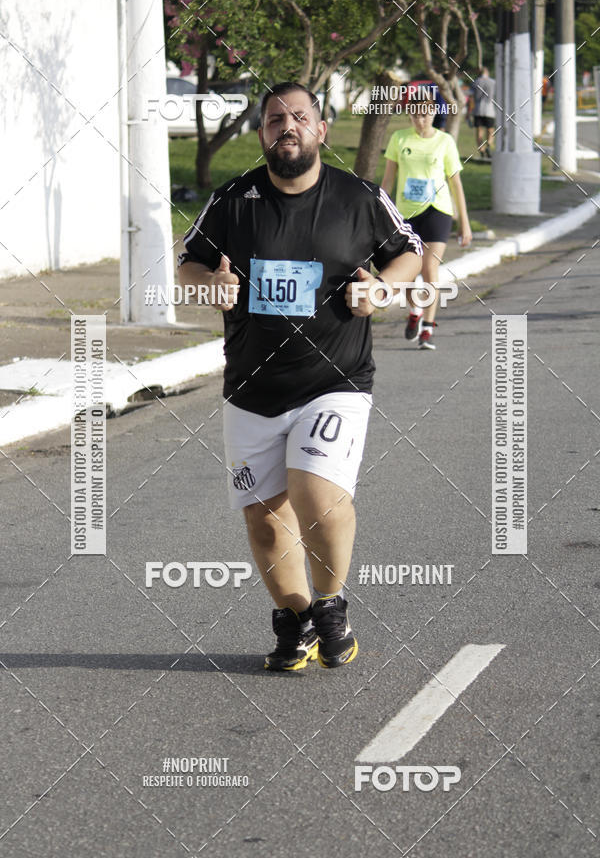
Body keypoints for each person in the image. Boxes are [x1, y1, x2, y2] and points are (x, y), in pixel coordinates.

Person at [178, 82, 422, 671]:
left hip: (334, 379)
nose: (287, 127)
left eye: (299, 118)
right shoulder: (234, 200)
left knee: (315, 493)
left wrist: (382, 287)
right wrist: (207, 284)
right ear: (262, 135)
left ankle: (332, 604)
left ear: (321, 130)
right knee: (265, 521)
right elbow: (188, 263)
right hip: (252, 389)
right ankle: (294, 619)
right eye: (274, 120)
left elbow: (409, 250)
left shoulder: (359, 198)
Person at [381, 92, 472, 350]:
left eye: (425, 115)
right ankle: (414, 313)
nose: (420, 120)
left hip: (437, 210)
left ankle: (429, 327)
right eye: (415, 115)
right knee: (409, 271)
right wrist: (379, 212)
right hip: (406, 213)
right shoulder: (399, 139)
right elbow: (388, 180)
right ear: (409, 115)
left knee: (429, 269)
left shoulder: (445, 142)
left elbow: (456, 185)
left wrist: (464, 222)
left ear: (433, 114)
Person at [467, 67, 496, 159]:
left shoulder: (475, 82)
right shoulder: (493, 82)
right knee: (490, 130)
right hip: (490, 109)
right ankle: (488, 145)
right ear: (487, 72)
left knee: (479, 131)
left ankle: (482, 150)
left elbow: (470, 98)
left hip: (478, 109)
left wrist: (469, 111)